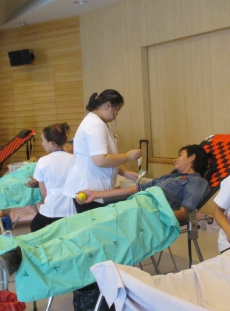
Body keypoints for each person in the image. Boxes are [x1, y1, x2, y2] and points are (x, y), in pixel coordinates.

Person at [78, 144, 211, 224]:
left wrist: (152, 216)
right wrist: (95, 194)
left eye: (180, 155)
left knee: (94, 223)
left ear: (192, 157)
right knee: (89, 216)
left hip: (145, 212)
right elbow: (133, 189)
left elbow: (184, 213)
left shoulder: (197, 182)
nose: (175, 160)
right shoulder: (168, 177)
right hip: (133, 204)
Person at [63, 89, 141, 213]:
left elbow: (108, 157)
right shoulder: (95, 124)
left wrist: (125, 173)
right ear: (108, 105)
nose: (116, 114)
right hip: (88, 187)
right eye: (117, 109)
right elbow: (100, 160)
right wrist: (128, 156)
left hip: (93, 187)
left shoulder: (99, 123)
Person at [25, 123, 76, 232]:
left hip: (52, 209)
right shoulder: (74, 159)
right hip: (72, 209)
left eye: (43, 140)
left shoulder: (43, 161)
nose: (42, 143)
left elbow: (44, 194)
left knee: (35, 227)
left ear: (51, 143)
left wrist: (36, 184)